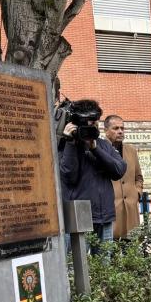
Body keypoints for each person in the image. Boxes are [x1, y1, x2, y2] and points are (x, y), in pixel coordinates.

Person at [59, 99, 127, 249]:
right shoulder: (66, 145)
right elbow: (69, 176)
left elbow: (119, 170)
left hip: (104, 218)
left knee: (104, 268)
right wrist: (70, 142)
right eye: (90, 122)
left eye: (96, 122)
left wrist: (95, 149)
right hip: (78, 219)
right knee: (76, 267)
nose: (95, 125)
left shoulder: (102, 145)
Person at [104, 115, 144, 239]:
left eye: (122, 128)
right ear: (106, 131)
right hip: (111, 211)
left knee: (132, 253)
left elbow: (138, 177)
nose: (120, 131)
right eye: (115, 128)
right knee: (112, 254)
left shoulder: (131, 151)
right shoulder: (100, 149)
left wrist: (137, 193)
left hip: (131, 210)